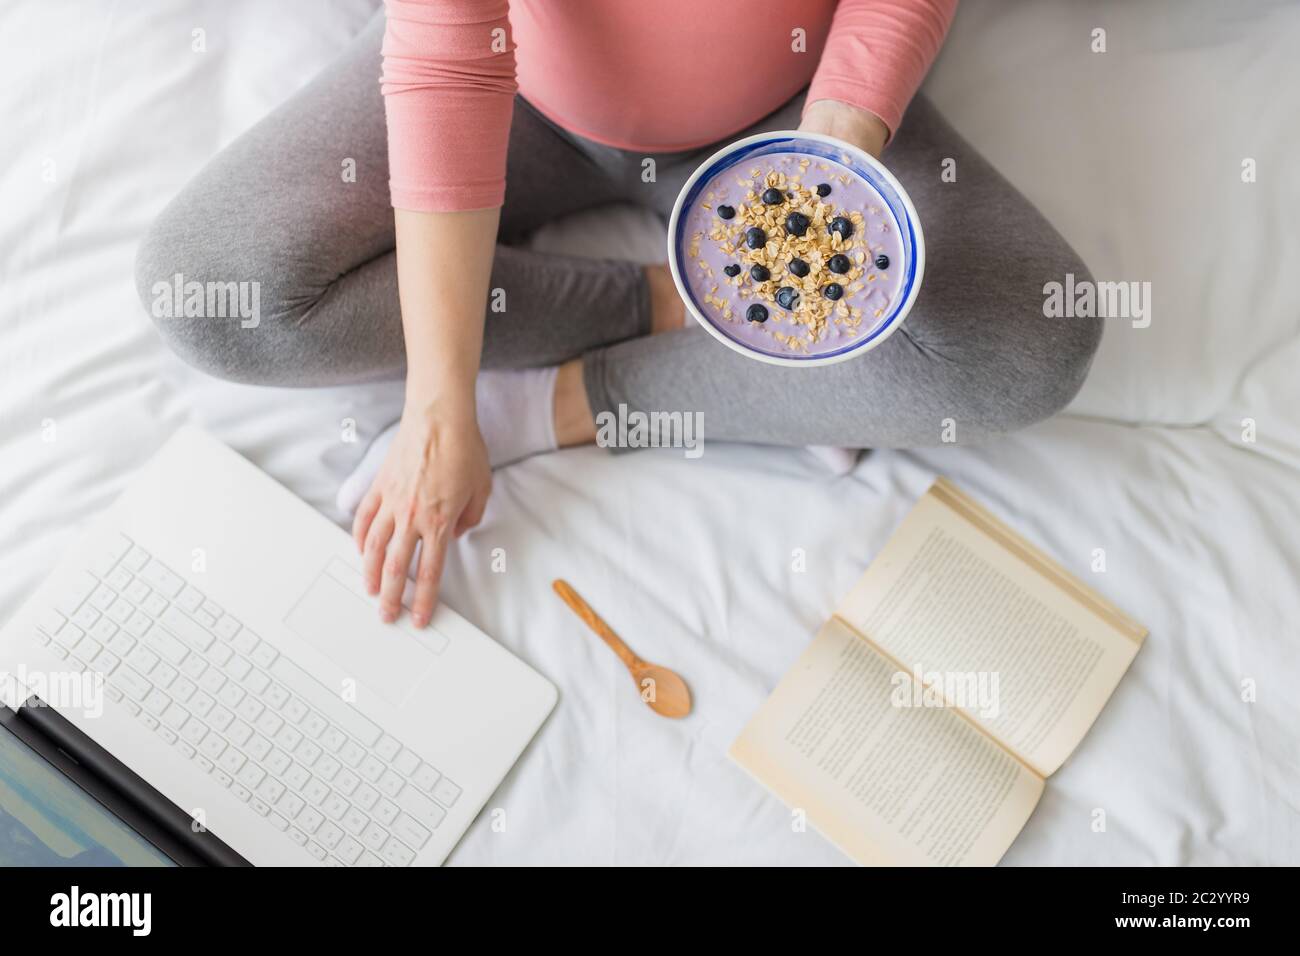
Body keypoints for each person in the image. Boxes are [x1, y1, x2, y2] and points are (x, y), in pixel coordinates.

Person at [135, 0, 1101, 630]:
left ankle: (567, 401)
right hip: (514, 89)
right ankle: (671, 308)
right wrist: (438, 404)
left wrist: (827, 156)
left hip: (788, 104)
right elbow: (447, 58)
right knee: (218, 292)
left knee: (1026, 350)